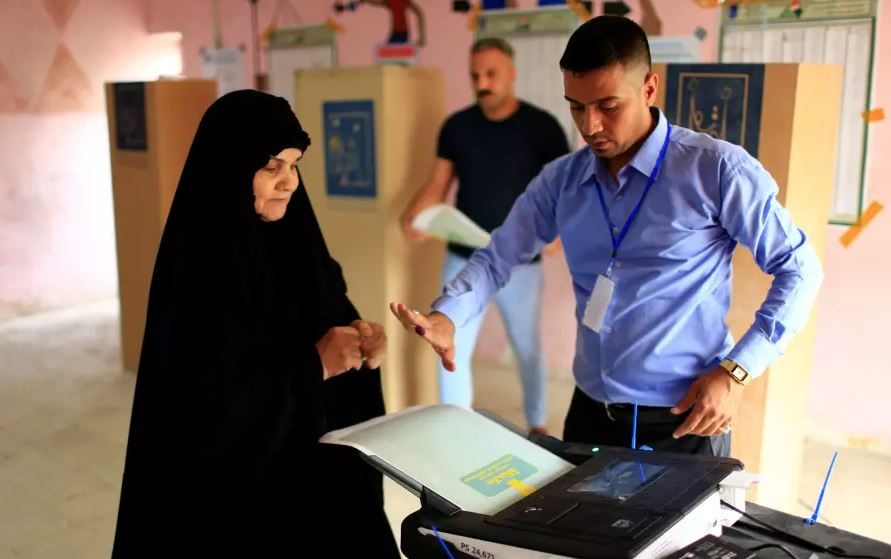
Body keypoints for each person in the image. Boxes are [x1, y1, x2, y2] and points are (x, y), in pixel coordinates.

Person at [391, 16, 823, 457]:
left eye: (608, 106)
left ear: (649, 89)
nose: (590, 125)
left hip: (684, 417)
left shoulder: (716, 171)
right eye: (576, 107)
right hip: (589, 413)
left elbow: (800, 269)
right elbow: (498, 256)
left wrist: (737, 371)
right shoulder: (561, 180)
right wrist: (448, 315)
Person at [112, 90, 399, 557]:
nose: (289, 183)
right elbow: (203, 410)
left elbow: (331, 312)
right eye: (271, 167)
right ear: (229, 168)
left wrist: (362, 339)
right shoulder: (200, 271)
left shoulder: (299, 243)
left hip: (320, 484)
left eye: (294, 165)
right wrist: (315, 367)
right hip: (243, 508)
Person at [400, 37, 570, 434]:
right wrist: (415, 216)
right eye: (475, 75)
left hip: (521, 260)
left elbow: (563, 192)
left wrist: (558, 230)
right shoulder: (457, 127)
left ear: (511, 73)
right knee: (449, 342)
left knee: (527, 348)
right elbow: (437, 184)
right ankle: (457, 428)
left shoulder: (543, 127)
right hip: (464, 256)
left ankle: (538, 425)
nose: (482, 83)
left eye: (491, 74)